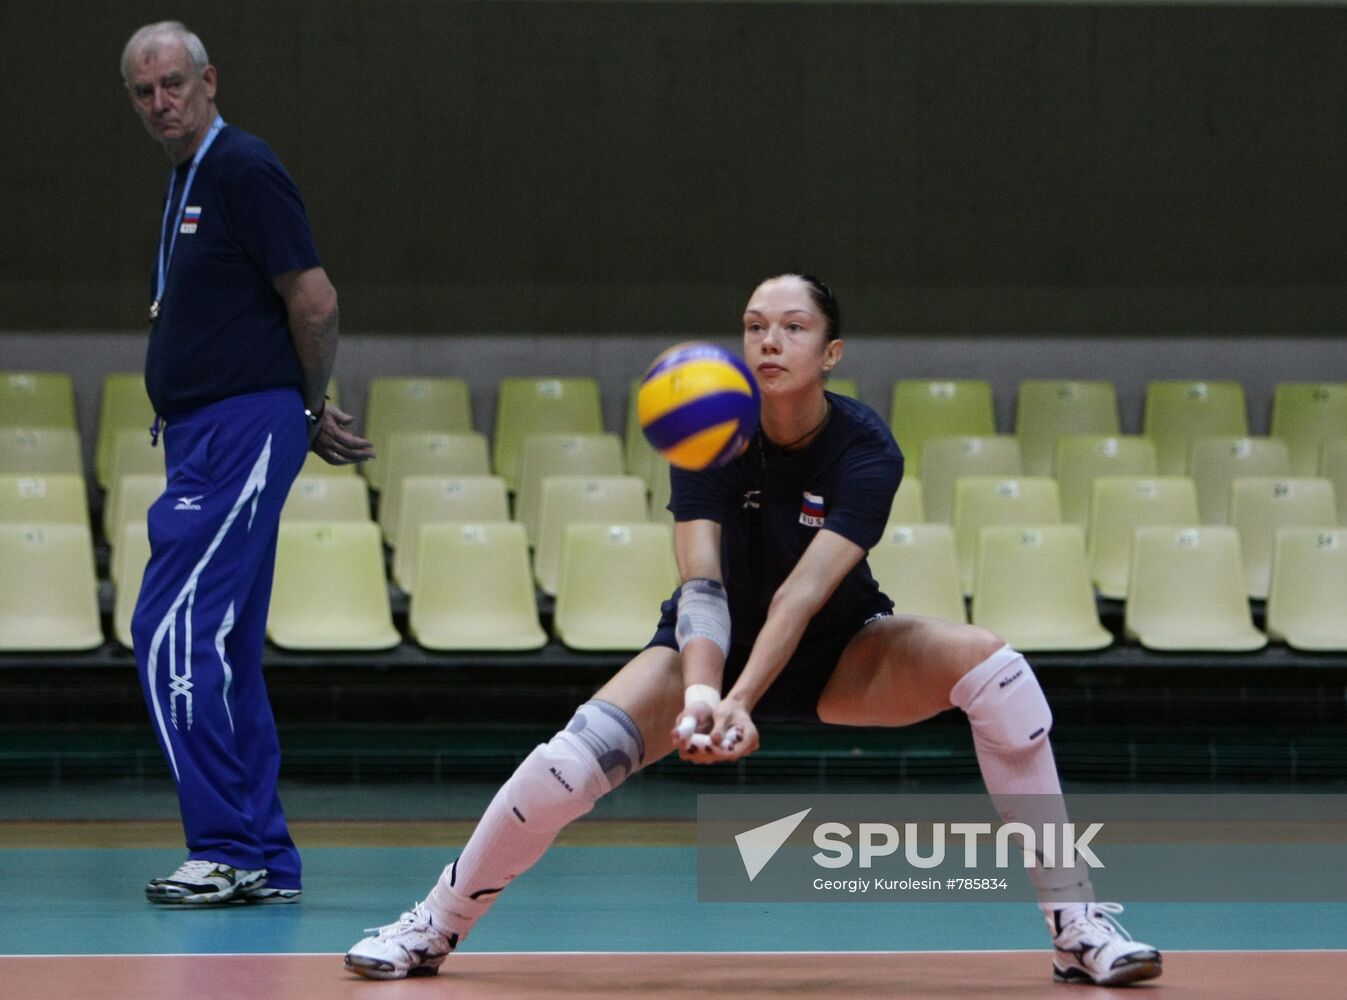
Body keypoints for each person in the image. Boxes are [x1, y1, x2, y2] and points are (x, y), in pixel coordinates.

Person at [344, 274, 1161, 986]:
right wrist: (704, 693)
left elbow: (804, 593)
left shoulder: (865, 446)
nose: (768, 340)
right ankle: (433, 923)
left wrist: (741, 702)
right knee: (565, 764)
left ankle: (1076, 925)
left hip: (842, 652)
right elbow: (701, 583)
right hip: (707, 646)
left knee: (998, 676)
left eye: (792, 326)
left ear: (831, 351)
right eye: (753, 325)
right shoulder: (705, 429)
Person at [122, 21, 373, 906]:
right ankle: (262, 856)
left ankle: (224, 844)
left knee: (168, 634)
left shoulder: (241, 166)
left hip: (240, 429)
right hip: (212, 431)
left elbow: (313, 300)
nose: (160, 102)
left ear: (209, 80)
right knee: (221, 644)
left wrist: (303, 405)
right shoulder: (189, 176)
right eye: (144, 91)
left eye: (173, 84)